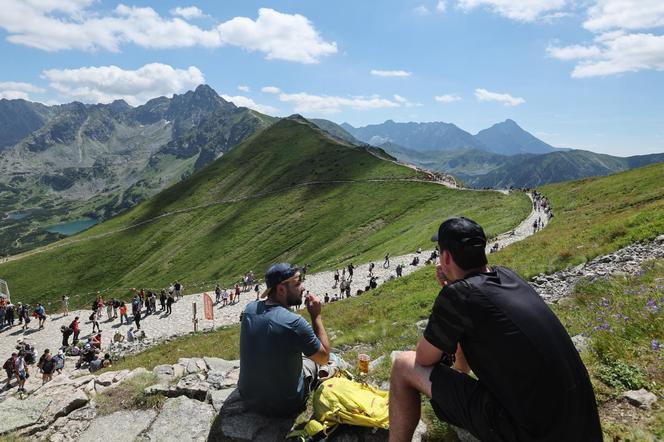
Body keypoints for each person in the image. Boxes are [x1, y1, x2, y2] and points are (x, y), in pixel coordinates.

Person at [388, 217, 602, 441]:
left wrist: (451, 293)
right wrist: (454, 291)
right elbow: (464, 356)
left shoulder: (460, 296)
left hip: (530, 432)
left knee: (403, 365)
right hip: (580, 424)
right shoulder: (508, 275)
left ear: (446, 257)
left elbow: (423, 358)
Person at [239, 263, 330, 417]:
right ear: (281, 289)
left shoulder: (249, 310)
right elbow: (324, 357)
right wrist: (316, 316)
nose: (303, 288)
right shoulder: (293, 322)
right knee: (317, 361)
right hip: (285, 405)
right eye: (297, 283)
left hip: (247, 397)